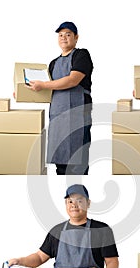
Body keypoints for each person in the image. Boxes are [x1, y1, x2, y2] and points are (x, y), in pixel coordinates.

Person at [28, 21, 93, 175]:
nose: (64, 37)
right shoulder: (53, 63)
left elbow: (72, 80)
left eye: (68, 34)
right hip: (58, 117)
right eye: (61, 35)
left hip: (77, 114)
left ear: (76, 38)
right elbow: (47, 90)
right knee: (61, 164)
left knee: (77, 161)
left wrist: (43, 84)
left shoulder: (81, 55)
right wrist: (25, 92)